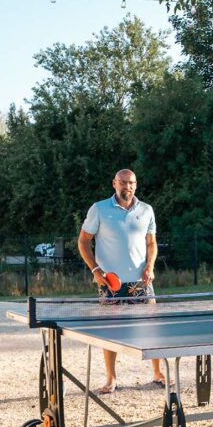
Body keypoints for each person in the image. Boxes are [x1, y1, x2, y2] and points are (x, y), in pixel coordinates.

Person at [77, 168, 163, 393]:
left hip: (140, 283)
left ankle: (157, 373)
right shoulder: (99, 209)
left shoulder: (146, 210)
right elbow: (83, 242)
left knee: (151, 328)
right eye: (123, 183)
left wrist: (150, 266)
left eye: (132, 183)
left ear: (136, 184)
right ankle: (111, 378)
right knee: (110, 332)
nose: (128, 187)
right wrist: (95, 269)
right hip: (110, 283)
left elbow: (151, 243)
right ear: (114, 183)